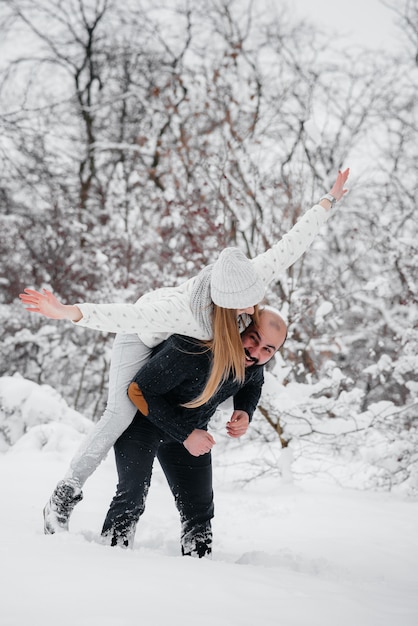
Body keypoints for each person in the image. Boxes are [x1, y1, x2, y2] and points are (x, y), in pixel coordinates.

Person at [19, 168, 349, 533]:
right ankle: (64, 495)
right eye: (241, 307)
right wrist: (70, 312)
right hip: (140, 335)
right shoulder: (187, 314)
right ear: (224, 303)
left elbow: (290, 245)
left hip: (178, 343)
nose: (248, 312)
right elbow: (125, 315)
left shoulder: (249, 276)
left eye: (252, 304)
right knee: (119, 414)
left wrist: (327, 201)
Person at [101, 307, 287, 556]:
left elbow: (254, 381)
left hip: (189, 430)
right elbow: (139, 390)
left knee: (199, 512)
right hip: (142, 422)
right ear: (241, 326)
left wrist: (244, 410)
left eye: (268, 350)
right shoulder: (193, 347)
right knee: (132, 496)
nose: (255, 353)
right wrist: (186, 434)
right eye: (253, 338)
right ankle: (109, 559)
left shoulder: (251, 362)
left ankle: (198, 569)